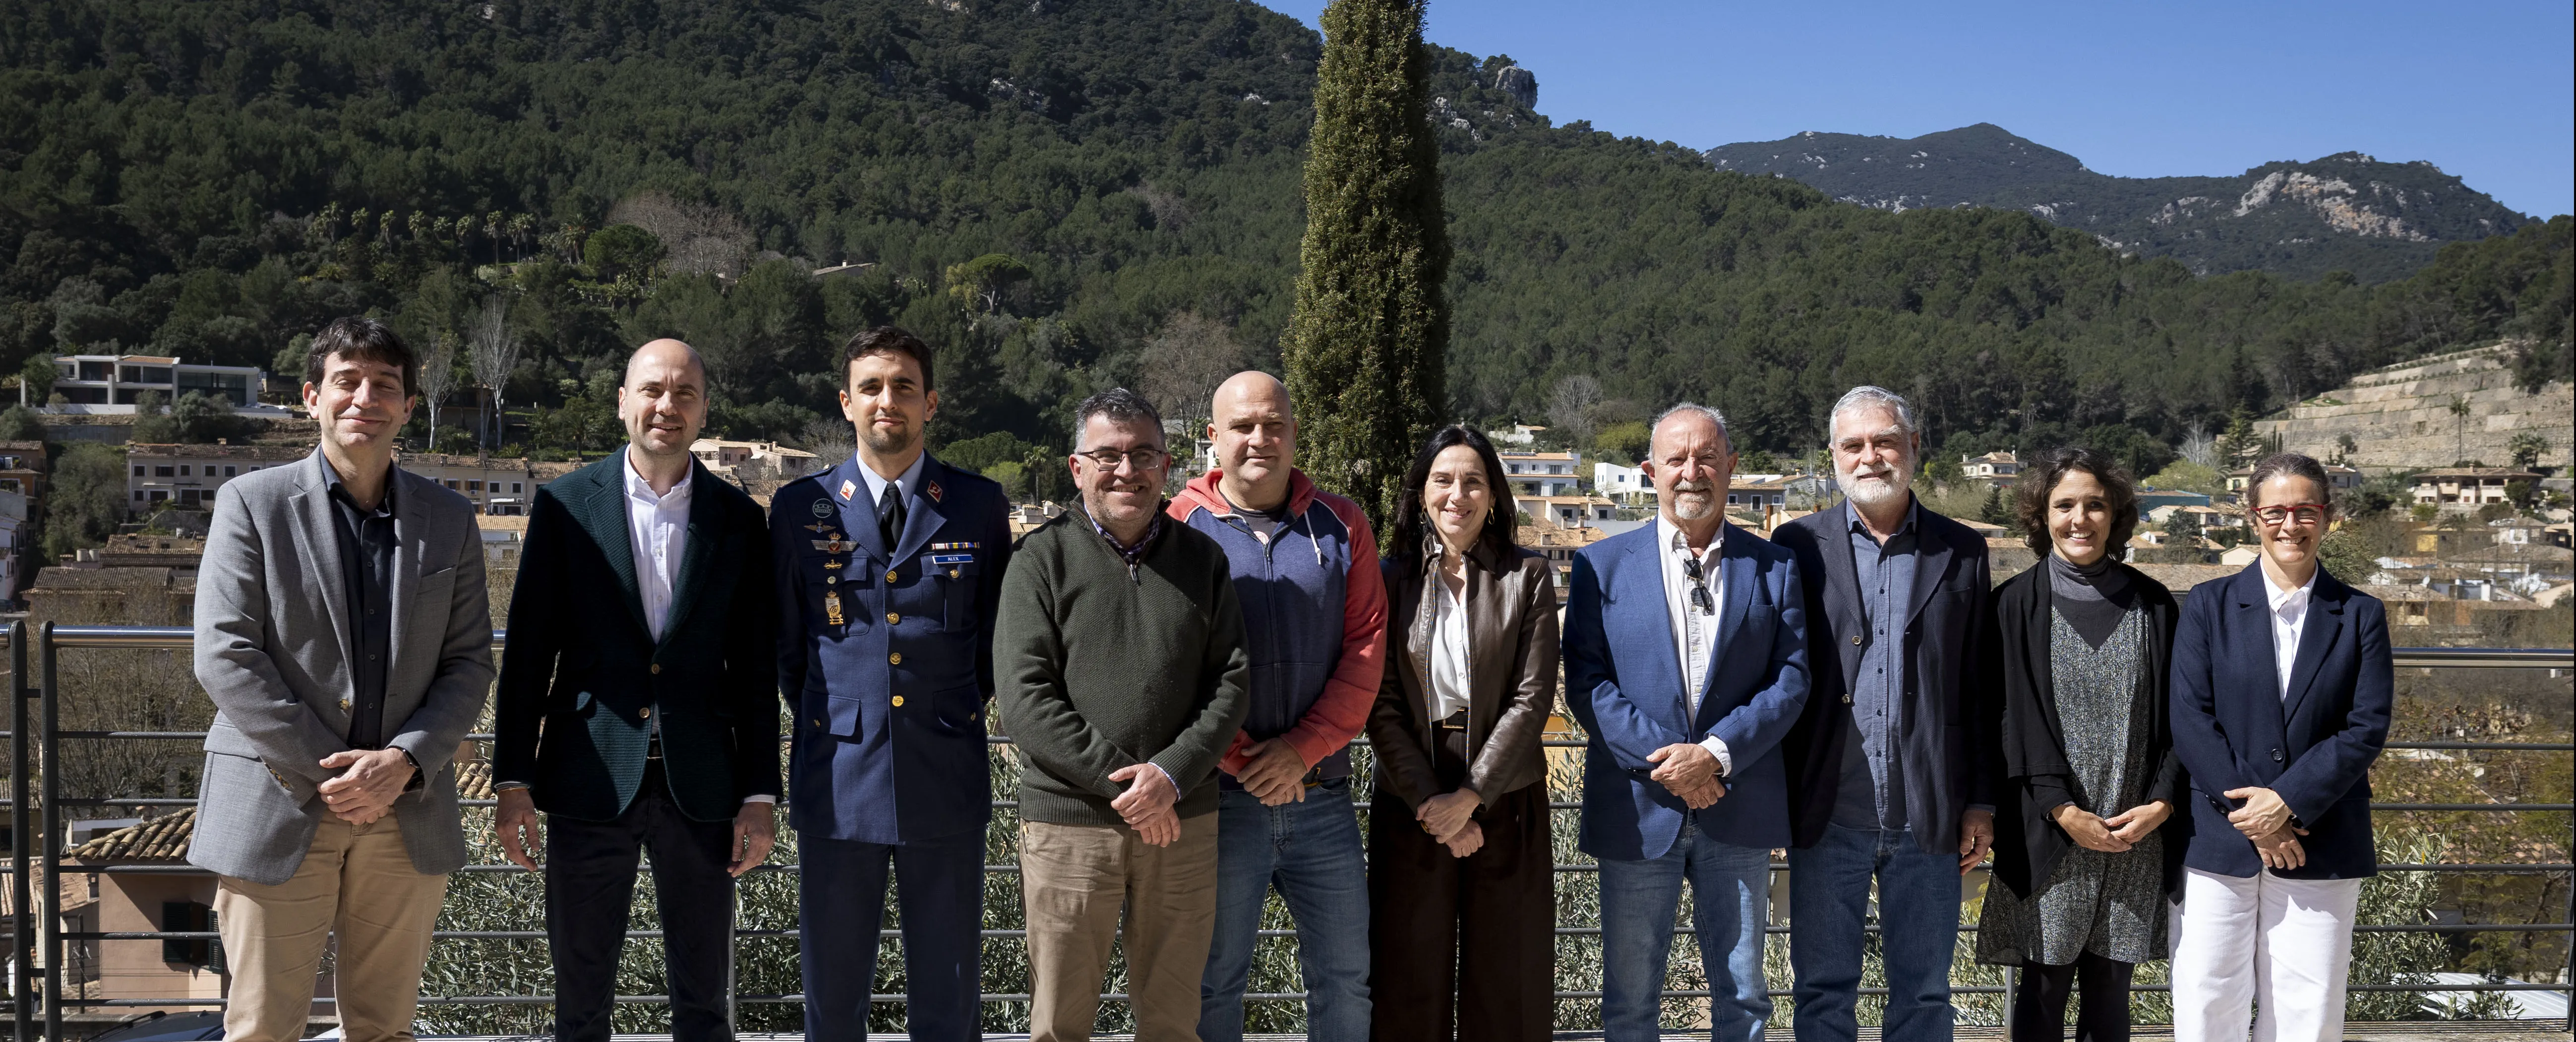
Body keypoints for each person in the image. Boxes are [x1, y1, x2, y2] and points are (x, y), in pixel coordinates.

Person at [188, 317, 494, 1042]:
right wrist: (335, 773)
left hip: (406, 809)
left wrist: (405, 761)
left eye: (385, 385)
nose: (366, 397)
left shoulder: (450, 519)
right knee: (263, 1027)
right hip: (277, 799)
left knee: (387, 1028)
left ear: (408, 407)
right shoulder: (252, 503)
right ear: (311, 398)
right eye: (347, 381)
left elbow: (469, 661)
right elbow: (225, 653)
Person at [489, 338, 779, 1041]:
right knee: (580, 1001)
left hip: (703, 787)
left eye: (684, 393)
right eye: (652, 389)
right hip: (587, 780)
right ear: (622, 401)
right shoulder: (563, 507)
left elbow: (754, 668)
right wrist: (512, 781)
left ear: (705, 408)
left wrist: (760, 793)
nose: (666, 406)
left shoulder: (739, 521)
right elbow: (528, 654)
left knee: (705, 1001)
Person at [772, 327, 1015, 1041]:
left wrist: (944, 710)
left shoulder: (977, 505)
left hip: (943, 773)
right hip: (837, 779)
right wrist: (841, 714)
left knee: (948, 1000)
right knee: (832, 999)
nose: (888, 401)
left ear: (930, 402)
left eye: (904, 386)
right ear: (845, 403)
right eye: (872, 387)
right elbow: (790, 646)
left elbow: (994, 639)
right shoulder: (799, 507)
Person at [997, 387, 1251, 1042]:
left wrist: (1168, 778)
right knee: (1058, 1023)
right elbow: (1026, 699)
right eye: (1106, 455)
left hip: (1181, 825)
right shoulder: (1037, 560)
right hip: (1068, 830)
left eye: (1142, 454)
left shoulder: (1204, 561)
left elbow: (1230, 683)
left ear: (1166, 466)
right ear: (1076, 467)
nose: (1126, 470)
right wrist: (1135, 787)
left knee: (1172, 1022)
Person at [1563, 404, 1811, 1042]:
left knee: (1745, 999)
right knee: (1627, 1001)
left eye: (1706, 457)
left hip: (1739, 805)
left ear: (1731, 466)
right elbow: (1587, 684)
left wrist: (1717, 756)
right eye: (1676, 459)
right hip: (1637, 808)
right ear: (1651, 471)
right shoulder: (1600, 566)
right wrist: (1676, 764)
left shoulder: (1775, 566)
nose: (1691, 472)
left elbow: (1791, 679)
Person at [1773, 385, 2002, 1042]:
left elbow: (1978, 688)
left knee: (1925, 994)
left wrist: (1980, 802)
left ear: (1913, 448)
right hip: (1825, 811)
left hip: (1927, 812)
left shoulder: (1962, 551)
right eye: (1853, 445)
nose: (1869, 456)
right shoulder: (1795, 546)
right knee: (1819, 993)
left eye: (1883, 441)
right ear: (1832, 456)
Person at [1171, 373, 1387, 1042]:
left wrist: (1301, 751)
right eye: (1241, 426)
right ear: (1214, 438)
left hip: (1322, 799)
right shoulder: (1179, 524)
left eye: (1272, 425)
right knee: (1212, 983)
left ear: (1294, 434)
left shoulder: (1342, 523)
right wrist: (1245, 757)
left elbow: (1365, 647)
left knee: (1346, 979)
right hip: (1221, 800)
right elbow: (1175, 664)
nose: (1258, 438)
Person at [2167, 452, 2391, 1042]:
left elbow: (2366, 725)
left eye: (2304, 510)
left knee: (2308, 1005)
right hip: (2219, 836)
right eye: (2274, 511)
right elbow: (2189, 718)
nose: (2289, 524)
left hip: (2322, 835)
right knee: (2206, 995)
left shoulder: (2361, 614)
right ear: (2251, 516)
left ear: (2327, 515)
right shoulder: (2205, 606)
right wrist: (2257, 816)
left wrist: (2285, 802)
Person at [1974, 448, 2185, 1042]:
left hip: (2132, 832)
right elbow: (2006, 719)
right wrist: (2061, 809)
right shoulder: (2011, 606)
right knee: (2041, 994)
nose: (2079, 518)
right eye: (2063, 504)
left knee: (2110, 994)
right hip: (2048, 830)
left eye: (2095, 505)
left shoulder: (2154, 606)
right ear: (2040, 516)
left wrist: (2160, 805)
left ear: (2114, 514)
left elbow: (2180, 722)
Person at [1364, 425, 1559, 1042]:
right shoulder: (1388, 577)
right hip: (1409, 796)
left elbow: (1531, 702)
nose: (1457, 494)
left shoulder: (1527, 576)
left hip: (1507, 798)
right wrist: (1430, 802)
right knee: (1405, 980)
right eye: (1442, 480)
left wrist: (1470, 797)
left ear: (1494, 495)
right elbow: (1382, 700)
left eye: (1473, 481)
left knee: (1509, 982)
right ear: (1421, 492)